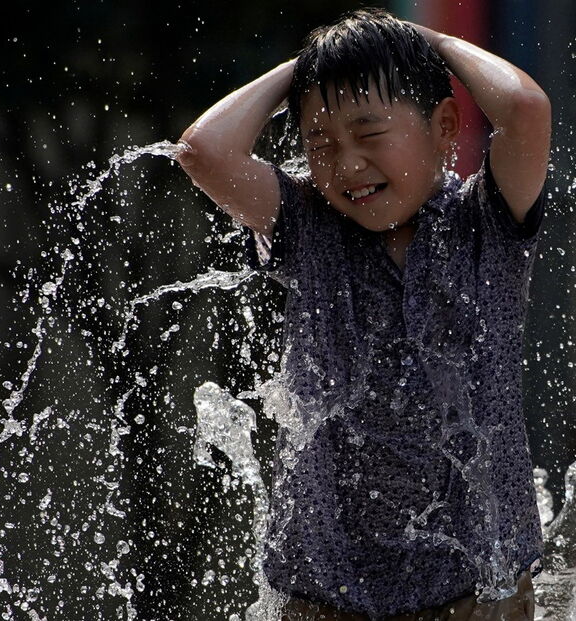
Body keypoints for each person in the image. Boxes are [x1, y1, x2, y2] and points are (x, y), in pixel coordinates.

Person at [177, 8, 550, 621]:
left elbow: (526, 111)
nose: (346, 165)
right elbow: (204, 150)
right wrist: (316, 65)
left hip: (478, 592)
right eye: (319, 144)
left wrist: (424, 42)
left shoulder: (486, 224)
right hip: (325, 595)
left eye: (369, 134)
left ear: (445, 127)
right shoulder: (305, 226)